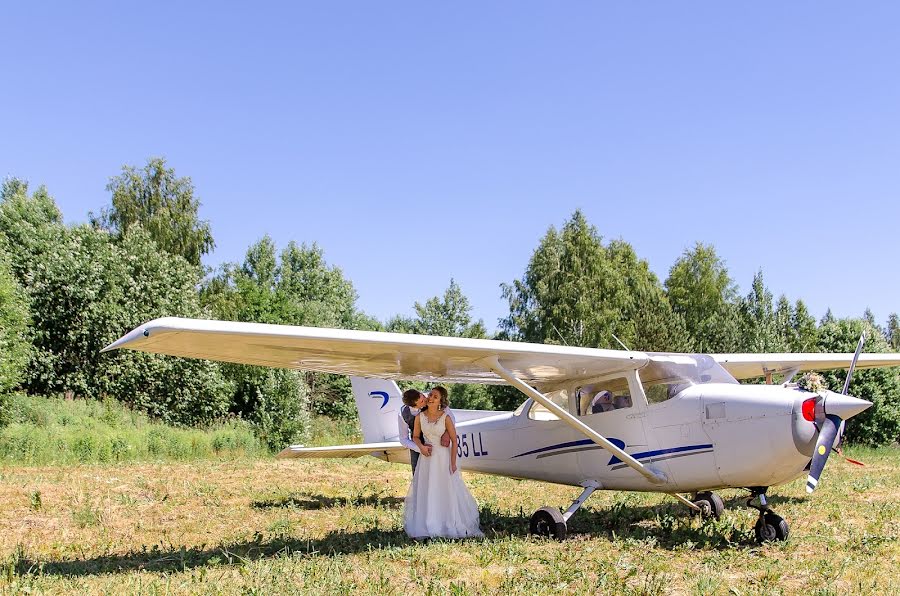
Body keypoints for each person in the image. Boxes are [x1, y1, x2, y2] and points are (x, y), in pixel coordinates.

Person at [404, 386, 483, 539]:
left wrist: (453, 463)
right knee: (428, 489)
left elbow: (454, 440)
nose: (430, 397)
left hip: (443, 457)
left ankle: (449, 522)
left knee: (445, 489)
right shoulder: (420, 417)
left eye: (435, 396)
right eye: (430, 395)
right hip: (427, 459)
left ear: (440, 401)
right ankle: (429, 524)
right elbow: (414, 437)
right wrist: (421, 447)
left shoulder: (445, 417)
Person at [398, 388, 455, 475]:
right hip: (417, 444)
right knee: (419, 475)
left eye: (423, 396)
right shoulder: (403, 414)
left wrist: (447, 433)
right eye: (421, 402)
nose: (426, 400)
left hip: (437, 440)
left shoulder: (432, 398)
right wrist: (420, 448)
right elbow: (403, 439)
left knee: (442, 472)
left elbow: (451, 418)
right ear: (414, 406)